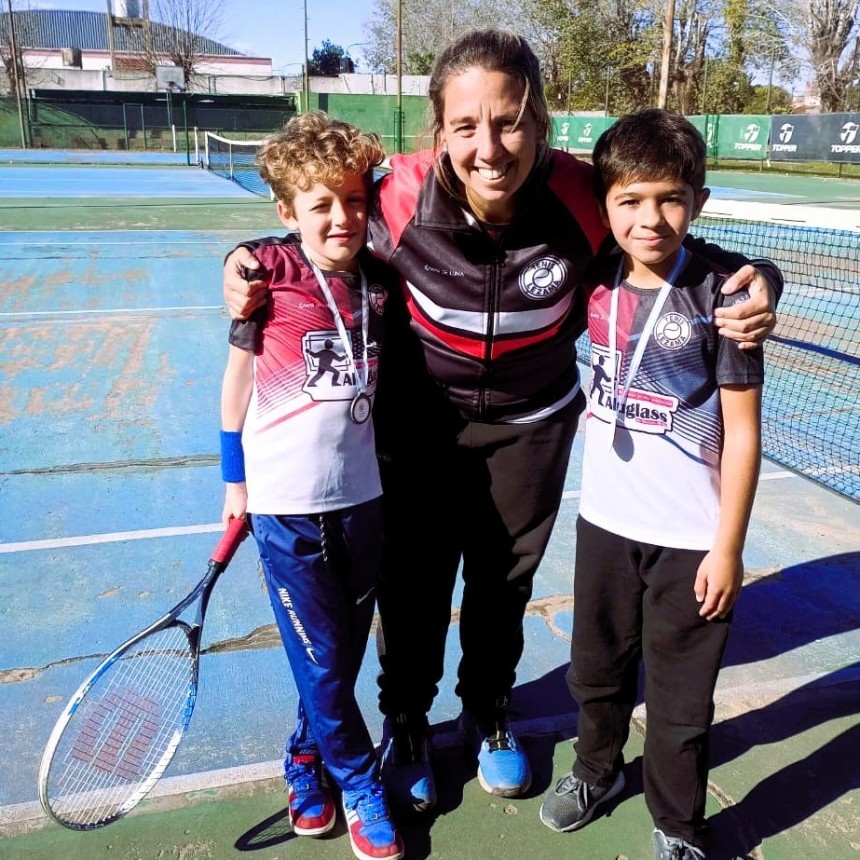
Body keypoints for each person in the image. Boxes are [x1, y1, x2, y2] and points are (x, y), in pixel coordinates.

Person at [221, 29, 781, 813]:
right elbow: (314, 241)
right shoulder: (396, 197)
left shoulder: (584, 196)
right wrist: (244, 261)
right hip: (418, 431)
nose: (490, 147)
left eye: (510, 120)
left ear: (541, 121)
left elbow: (666, 244)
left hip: (533, 426)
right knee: (412, 590)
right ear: (440, 131)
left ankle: (489, 713)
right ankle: (409, 723)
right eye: (466, 126)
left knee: (500, 587)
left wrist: (758, 282)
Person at [538, 109, 764, 860]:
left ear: (697, 202)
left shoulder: (723, 296)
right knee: (594, 672)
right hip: (604, 523)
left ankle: (677, 823)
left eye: (670, 198)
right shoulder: (591, 275)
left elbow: (745, 433)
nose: (650, 218)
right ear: (604, 205)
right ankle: (596, 772)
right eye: (629, 200)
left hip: (691, 539)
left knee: (678, 700)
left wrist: (727, 548)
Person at [219, 111, 404, 860]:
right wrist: (234, 482)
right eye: (321, 203)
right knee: (324, 659)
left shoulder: (382, 285)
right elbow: (235, 384)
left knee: (335, 660)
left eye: (354, 201)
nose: (342, 218)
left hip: (362, 504)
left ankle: (302, 759)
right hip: (284, 510)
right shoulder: (268, 273)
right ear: (287, 211)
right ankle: (359, 782)